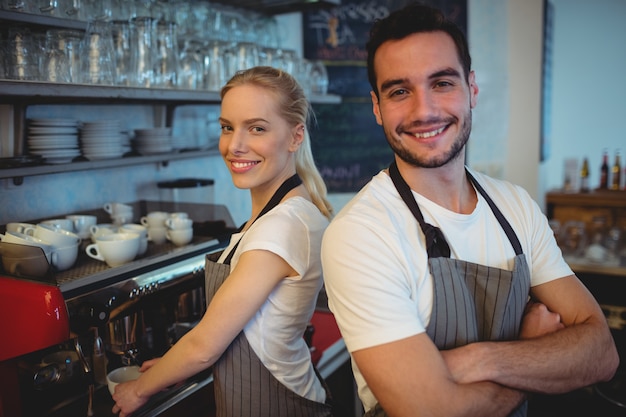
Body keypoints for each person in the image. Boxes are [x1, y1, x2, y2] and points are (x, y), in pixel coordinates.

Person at [320, 3, 619, 417]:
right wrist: (533, 354)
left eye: (441, 83)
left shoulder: (515, 206)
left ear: (472, 89)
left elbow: (601, 353)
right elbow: (432, 411)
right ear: (376, 107)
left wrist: (480, 359)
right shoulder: (361, 234)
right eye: (400, 91)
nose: (423, 111)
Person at [112, 66, 334, 417]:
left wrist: (137, 391)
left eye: (257, 128)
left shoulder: (281, 226)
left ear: (295, 136)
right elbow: (230, 327)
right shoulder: (292, 206)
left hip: (276, 404)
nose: (234, 146)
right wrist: (172, 365)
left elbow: (204, 346)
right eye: (227, 127)